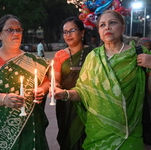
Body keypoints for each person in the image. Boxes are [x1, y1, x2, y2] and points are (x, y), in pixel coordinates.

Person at [51, 10, 151, 149]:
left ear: (123, 28)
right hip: (98, 131)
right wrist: (65, 94)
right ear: (99, 31)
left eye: (113, 23)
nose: (107, 27)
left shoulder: (138, 54)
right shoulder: (93, 57)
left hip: (130, 132)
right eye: (102, 25)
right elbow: (83, 91)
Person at [0, 14, 50, 150]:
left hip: (31, 124)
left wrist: (42, 90)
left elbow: (46, 83)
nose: (15, 33)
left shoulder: (32, 60)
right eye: (10, 30)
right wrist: (4, 99)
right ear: (0, 34)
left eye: (18, 30)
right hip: (2, 128)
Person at [53, 16, 91, 150]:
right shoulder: (59, 55)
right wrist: (55, 87)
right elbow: (56, 80)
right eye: (65, 32)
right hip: (65, 103)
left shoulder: (93, 53)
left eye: (72, 30)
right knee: (68, 139)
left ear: (82, 32)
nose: (68, 35)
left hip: (88, 102)